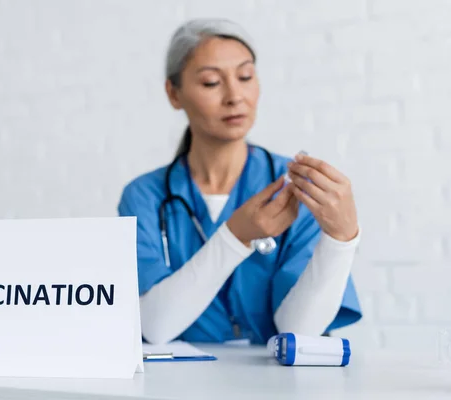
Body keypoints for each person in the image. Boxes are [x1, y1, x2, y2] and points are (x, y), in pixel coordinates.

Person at [117, 18, 362, 345]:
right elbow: (154, 327)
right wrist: (235, 237)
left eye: (245, 77)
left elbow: (299, 333)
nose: (235, 96)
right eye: (211, 83)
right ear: (173, 93)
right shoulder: (144, 196)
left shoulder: (296, 186)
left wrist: (340, 240)